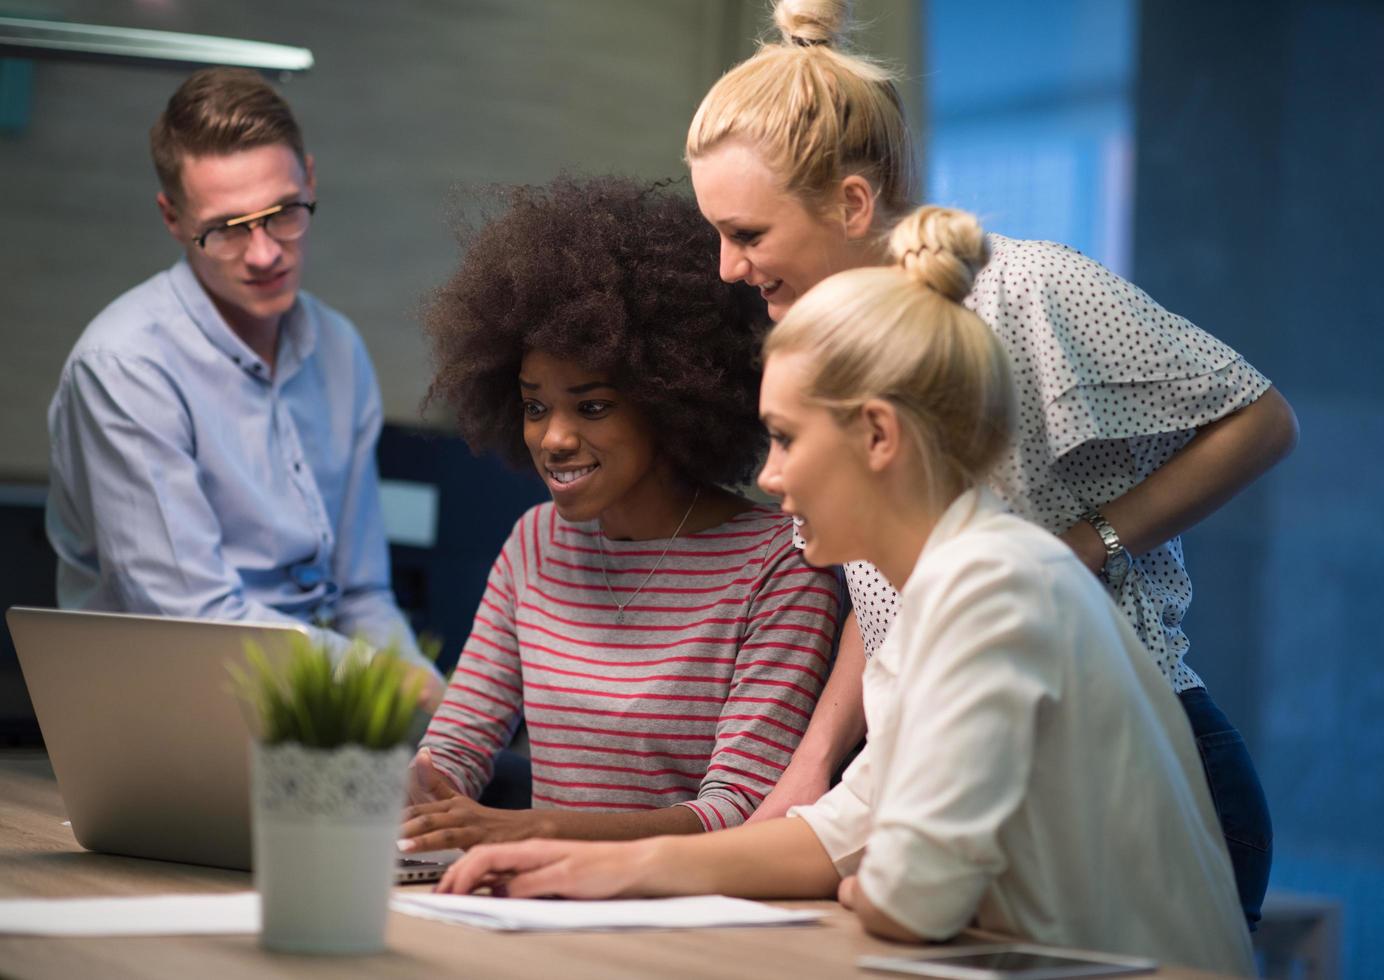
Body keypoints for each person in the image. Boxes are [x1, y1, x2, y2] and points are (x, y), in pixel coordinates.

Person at [432, 206, 1257, 978]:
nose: (769, 476)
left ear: (876, 435)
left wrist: (878, 882)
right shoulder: (939, 597)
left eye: (786, 439)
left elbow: (907, 893)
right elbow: (835, 837)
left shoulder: (995, 588)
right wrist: (588, 867)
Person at [681, 0, 1298, 928]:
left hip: (1127, 772)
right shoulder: (835, 345)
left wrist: (1084, 544)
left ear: (853, 202)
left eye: (748, 235)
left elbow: (1260, 419)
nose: (728, 269)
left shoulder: (1029, 288)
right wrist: (813, 765)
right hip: (949, 769)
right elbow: (888, 580)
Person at [398, 176, 839, 850]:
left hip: (696, 920)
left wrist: (532, 830)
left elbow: (739, 810)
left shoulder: (780, 564)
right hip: (543, 908)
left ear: (669, 402)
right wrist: (366, 793)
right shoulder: (534, 544)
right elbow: (454, 751)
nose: (554, 438)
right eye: (535, 406)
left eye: (592, 406)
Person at [44, 68, 442, 693]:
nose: (263, 254)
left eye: (283, 212)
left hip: (320, 708)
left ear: (310, 180)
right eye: (228, 229)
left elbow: (362, 594)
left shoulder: (339, 350)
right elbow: (195, 627)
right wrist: (395, 686)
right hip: (174, 708)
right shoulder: (125, 367)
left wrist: (439, 711)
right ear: (173, 218)